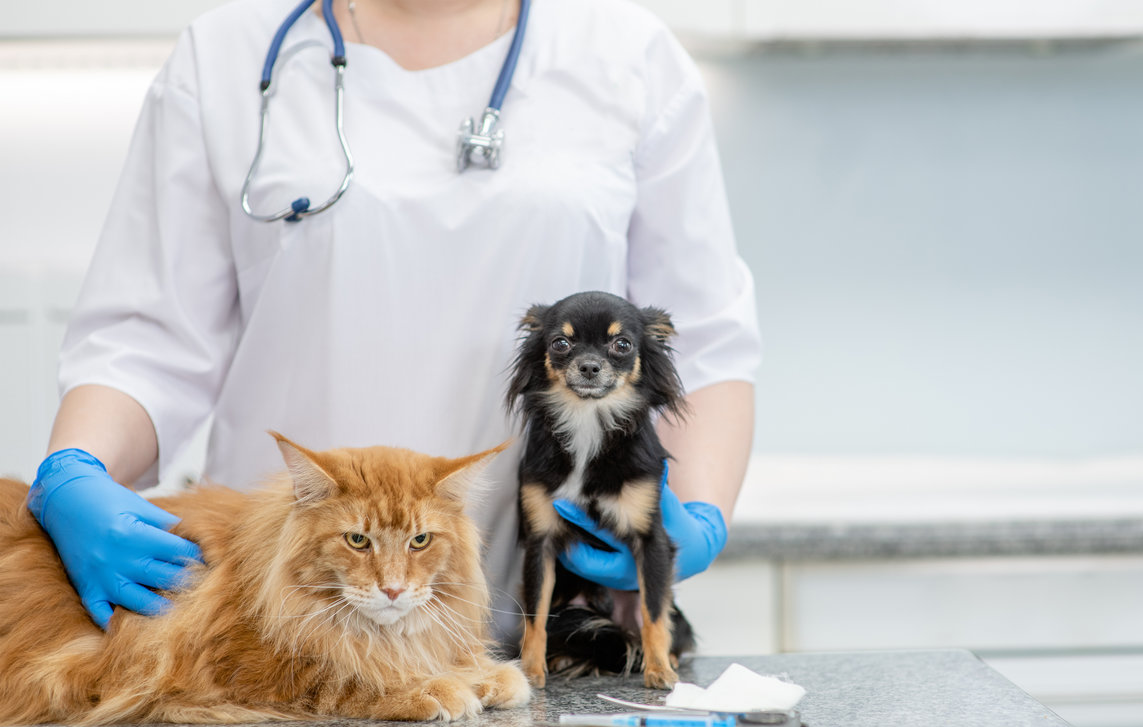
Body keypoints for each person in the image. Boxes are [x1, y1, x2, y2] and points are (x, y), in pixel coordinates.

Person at [27, 0, 760, 650]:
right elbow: (146, 341)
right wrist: (75, 469)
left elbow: (697, 340)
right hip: (286, 635)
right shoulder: (224, 56)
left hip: (548, 632)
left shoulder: (629, 55)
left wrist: (697, 517)